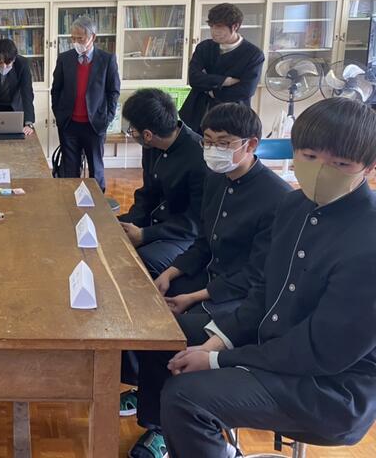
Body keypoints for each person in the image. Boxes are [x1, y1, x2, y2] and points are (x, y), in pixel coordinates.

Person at [160, 97, 376, 458]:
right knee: (164, 338)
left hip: (330, 389)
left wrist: (218, 360)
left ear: (368, 166)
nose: (321, 171)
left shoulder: (369, 239)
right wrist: (217, 342)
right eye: (309, 156)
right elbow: (265, 291)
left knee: (185, 399)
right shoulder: (293, 206)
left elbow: (320, 351)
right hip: (275, 350)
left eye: (340, 163)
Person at [122, 103, 292, 458]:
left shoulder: (278, 197)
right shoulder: (217, 179)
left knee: (166, 334)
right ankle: (147, 390)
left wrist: (193, 296)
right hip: (208, 278)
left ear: (251, 144)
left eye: (224, 143)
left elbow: (256, 276)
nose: (214, 150)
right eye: (208, 141)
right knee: (142, 304)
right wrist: (170, 273)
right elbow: (203, 242)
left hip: (240, 300)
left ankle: (160, 428)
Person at [117, 89, 206, 278]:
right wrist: (129, 224)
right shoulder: (152, 146)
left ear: (147, 134)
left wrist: (144, 235)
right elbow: (147, 194)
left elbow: (194, 222)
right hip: (155, 224)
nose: (132, 132)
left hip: (184, 236)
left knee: (140, 262)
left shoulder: (200, 157)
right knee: (111, 235)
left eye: (133, 129)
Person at [51, 15, 121, 192]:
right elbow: (56, 89)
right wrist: (59, 115)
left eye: (80, 38)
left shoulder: (107, 60)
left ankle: (98, 204)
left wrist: (107, 118)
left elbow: (113, 92)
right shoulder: (64, 58)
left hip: (95, 124)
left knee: (96, 169)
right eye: (73, 38)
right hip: (69, 124)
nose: (76, 42)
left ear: (92, 37)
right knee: (69, 170)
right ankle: (70, 202)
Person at [179, 3, 265, 134]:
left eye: (219, 27)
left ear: (235, 26)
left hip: (232, 115)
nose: (214, 31)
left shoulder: (253, 54)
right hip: (197, 112)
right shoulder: (204, 47)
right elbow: (194, 79)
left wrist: (211, 90)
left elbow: (246, 90)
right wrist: (226, 81)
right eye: (211, 26)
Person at [0, 38, 35, 136]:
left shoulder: (22, 65)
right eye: (0, 63)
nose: (4, 67)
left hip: (16, 108)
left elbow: (27, 94)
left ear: (14, 59)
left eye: (8, 63)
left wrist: (28, 123)